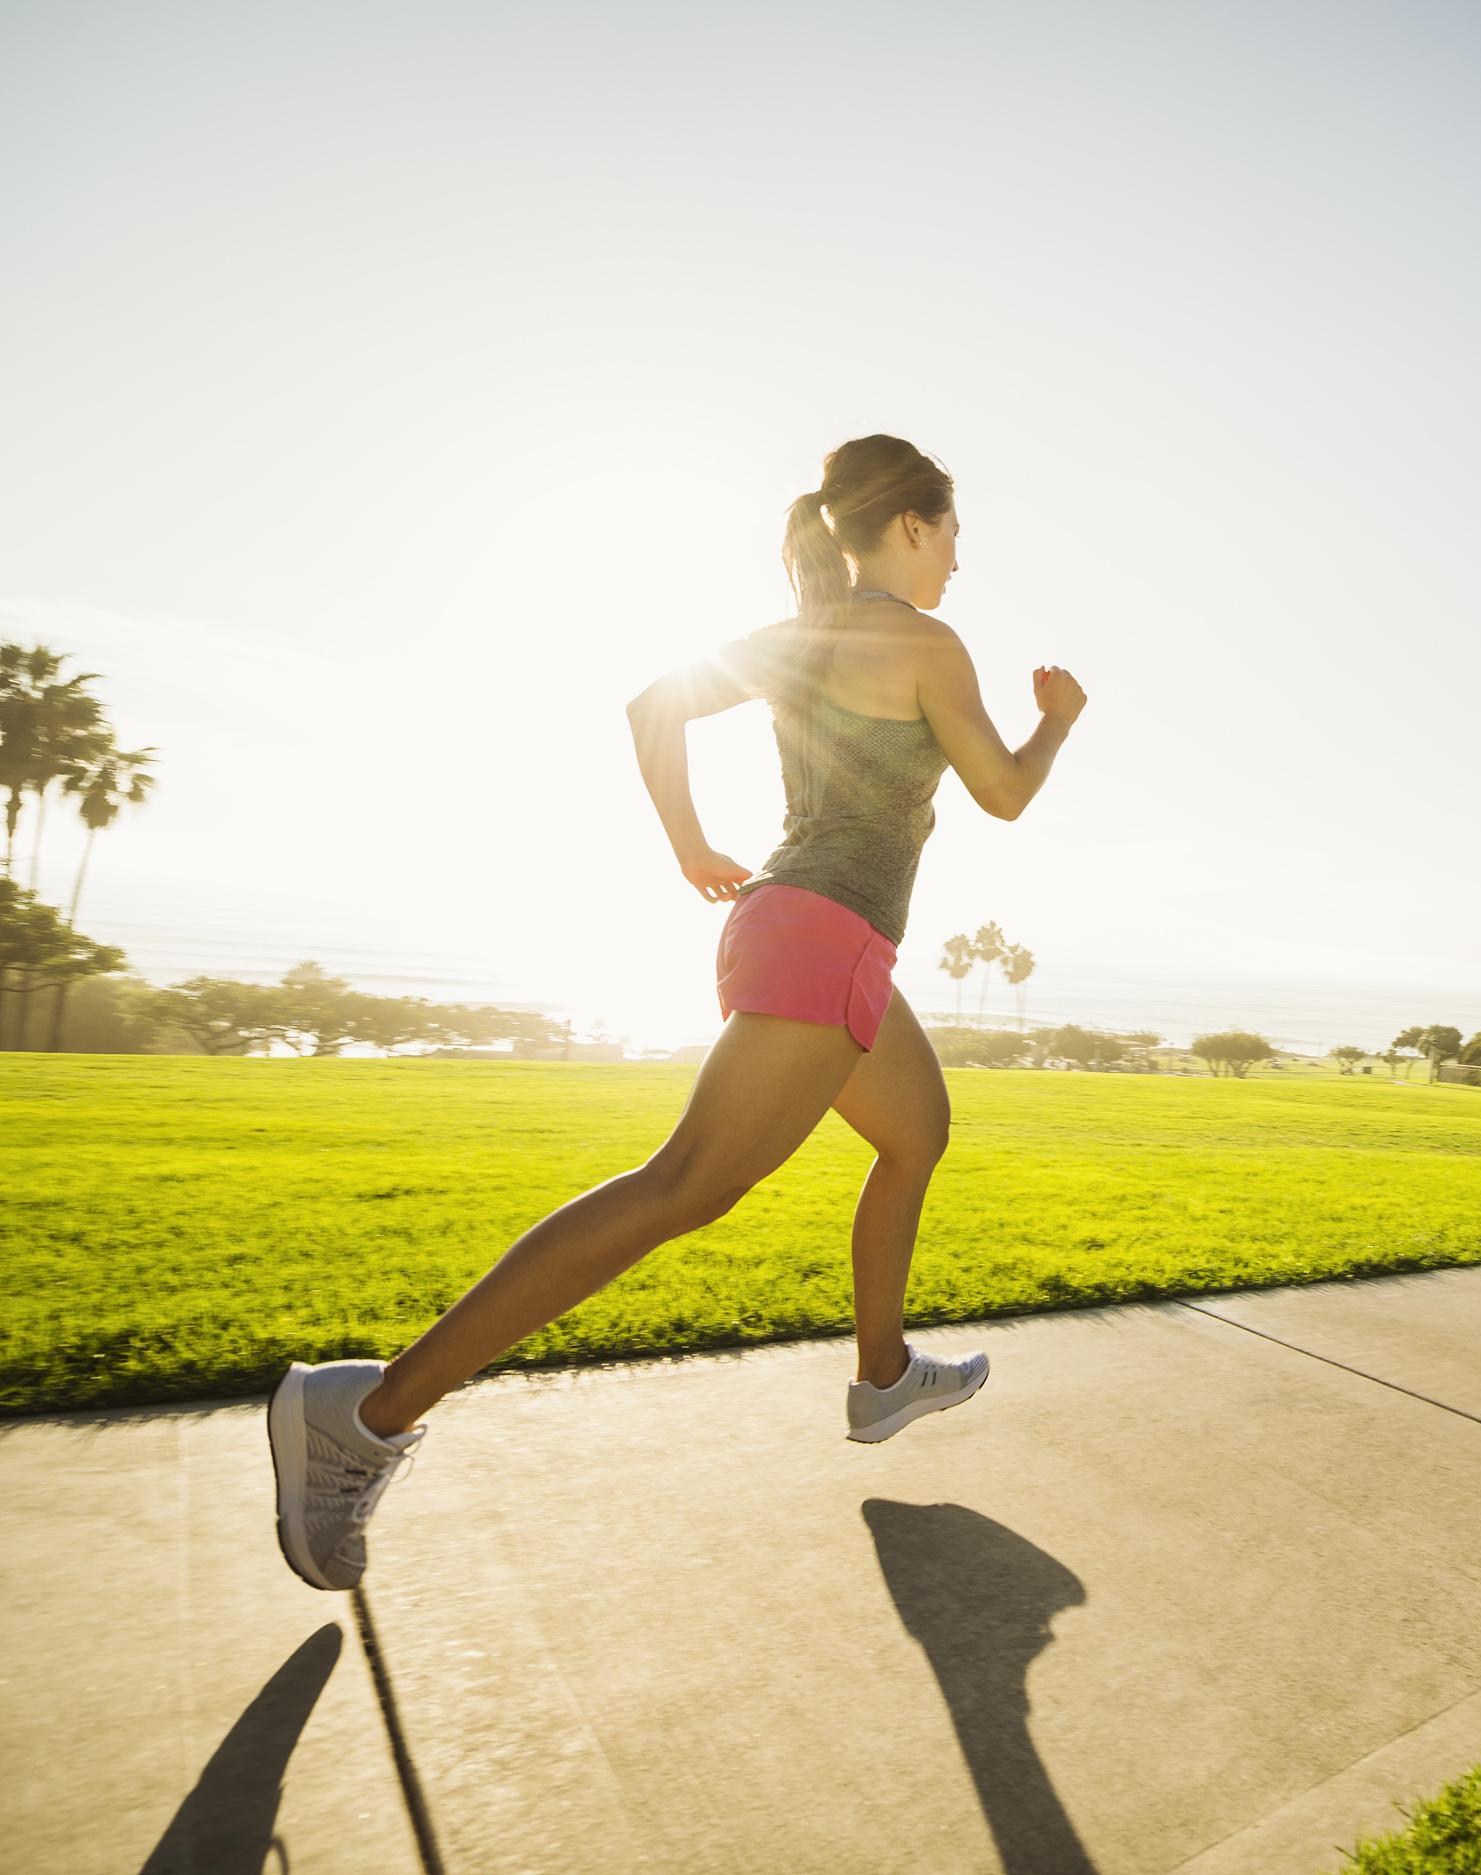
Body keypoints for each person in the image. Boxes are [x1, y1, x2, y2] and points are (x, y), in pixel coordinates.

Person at [265, 433, 1088, 1593]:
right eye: (952, 533)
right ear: (910, 524)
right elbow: (1001, 791)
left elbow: (652, 705)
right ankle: (369, 1411)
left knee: (915, 1134)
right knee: (684, 1187)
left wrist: (691, 846)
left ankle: (884, 1374)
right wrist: (1057, 719)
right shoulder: (922, 639)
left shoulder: (801, 638)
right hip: (820, 940)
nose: (958, 559)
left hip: (814, 935)